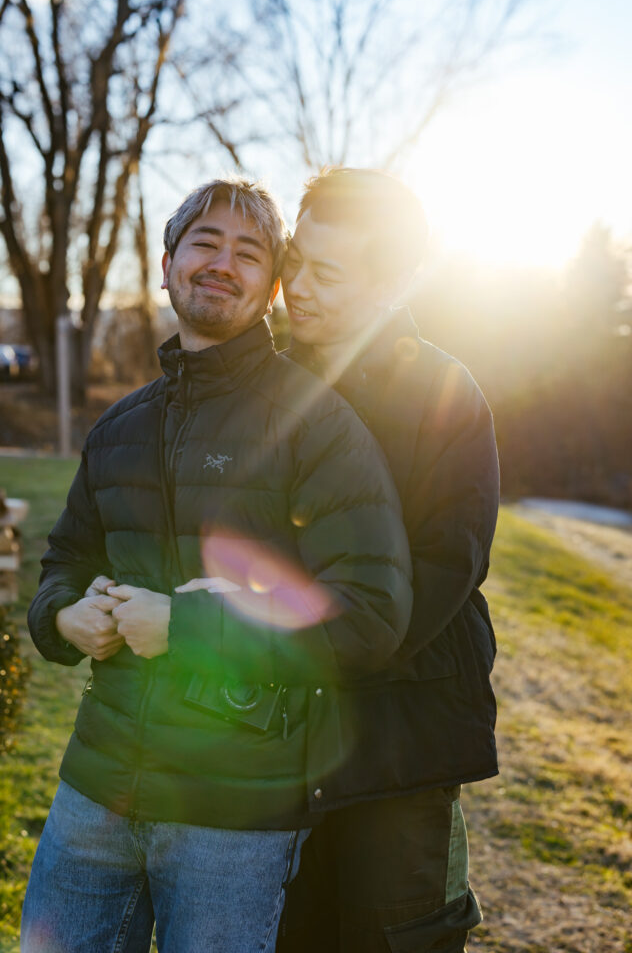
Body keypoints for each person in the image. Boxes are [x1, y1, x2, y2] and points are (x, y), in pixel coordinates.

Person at [21, 178, 413, 953]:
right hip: (95, 789)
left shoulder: (317, 424)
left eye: (248, 253)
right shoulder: (117, 427)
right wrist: (63, 616)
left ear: (271, 289)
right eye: (204, 242)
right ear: (166, 265)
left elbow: (369, 614)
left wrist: (187, 626)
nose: (222, 264)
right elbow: (63, 560)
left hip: (234, 811)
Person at [277, 168, 500, 952]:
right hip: (274, 735)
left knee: (395, 936)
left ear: (386, 284)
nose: (297, 287)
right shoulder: (258, 381)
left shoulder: (444, 392)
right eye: (294, 260)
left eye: (326, 272)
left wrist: (327, 646)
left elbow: (448, 561)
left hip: (403, 732)